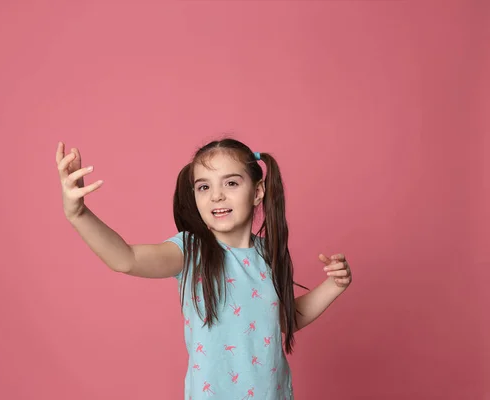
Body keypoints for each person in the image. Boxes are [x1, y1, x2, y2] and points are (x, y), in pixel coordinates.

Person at [55, 137, 353, 399]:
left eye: (231, 183)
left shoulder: (269, 254)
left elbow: (283, 320)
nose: (217, 195)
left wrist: (334, 286)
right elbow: (126, 259)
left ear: (258, 192)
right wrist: (79, 214)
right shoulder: (191, 251)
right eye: (204, 186)